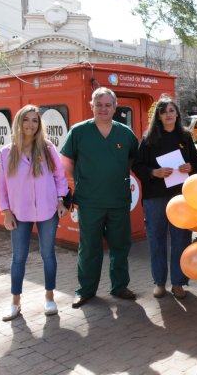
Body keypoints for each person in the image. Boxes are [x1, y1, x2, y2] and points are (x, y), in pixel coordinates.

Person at [60, 87, 139, 308]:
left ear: (115, 107)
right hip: (89, 201)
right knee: (89, 248)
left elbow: (133, 158)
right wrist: (84, 180)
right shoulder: (79, 132)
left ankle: (120, 286)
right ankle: (85, 290)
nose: (103, 109)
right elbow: (67, 162)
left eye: (107, 105)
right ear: (92, 106)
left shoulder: (125, 133)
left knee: (120, 246)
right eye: (99, 104)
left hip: (118, 201)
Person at [0, 105, 69, 321]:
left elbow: (60, 176)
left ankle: (49, 297)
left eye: (35, 121)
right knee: (19, 257)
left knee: (48, 255)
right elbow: (1, 186)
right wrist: (5, 211)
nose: (31, 124)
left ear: (39, 125)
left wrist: (61, 200)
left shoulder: (47, 149)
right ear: (19, 123)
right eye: (26, 120)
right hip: (19, 213)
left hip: (48, 211)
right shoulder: (6, 153)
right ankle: (15, 302)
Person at [132, 98, 197, 299]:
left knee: (181, 239)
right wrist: (154, 172)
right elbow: (137, 165)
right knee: (156, 239)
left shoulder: (185, 137)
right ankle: (160, 282)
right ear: (158, 116)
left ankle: (178, 283)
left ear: (177, 114)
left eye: (172, 110)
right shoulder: (148, 139)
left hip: (181, 197)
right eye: (164, 112)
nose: (168, 114)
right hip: (155, 198)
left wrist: (190, 167)